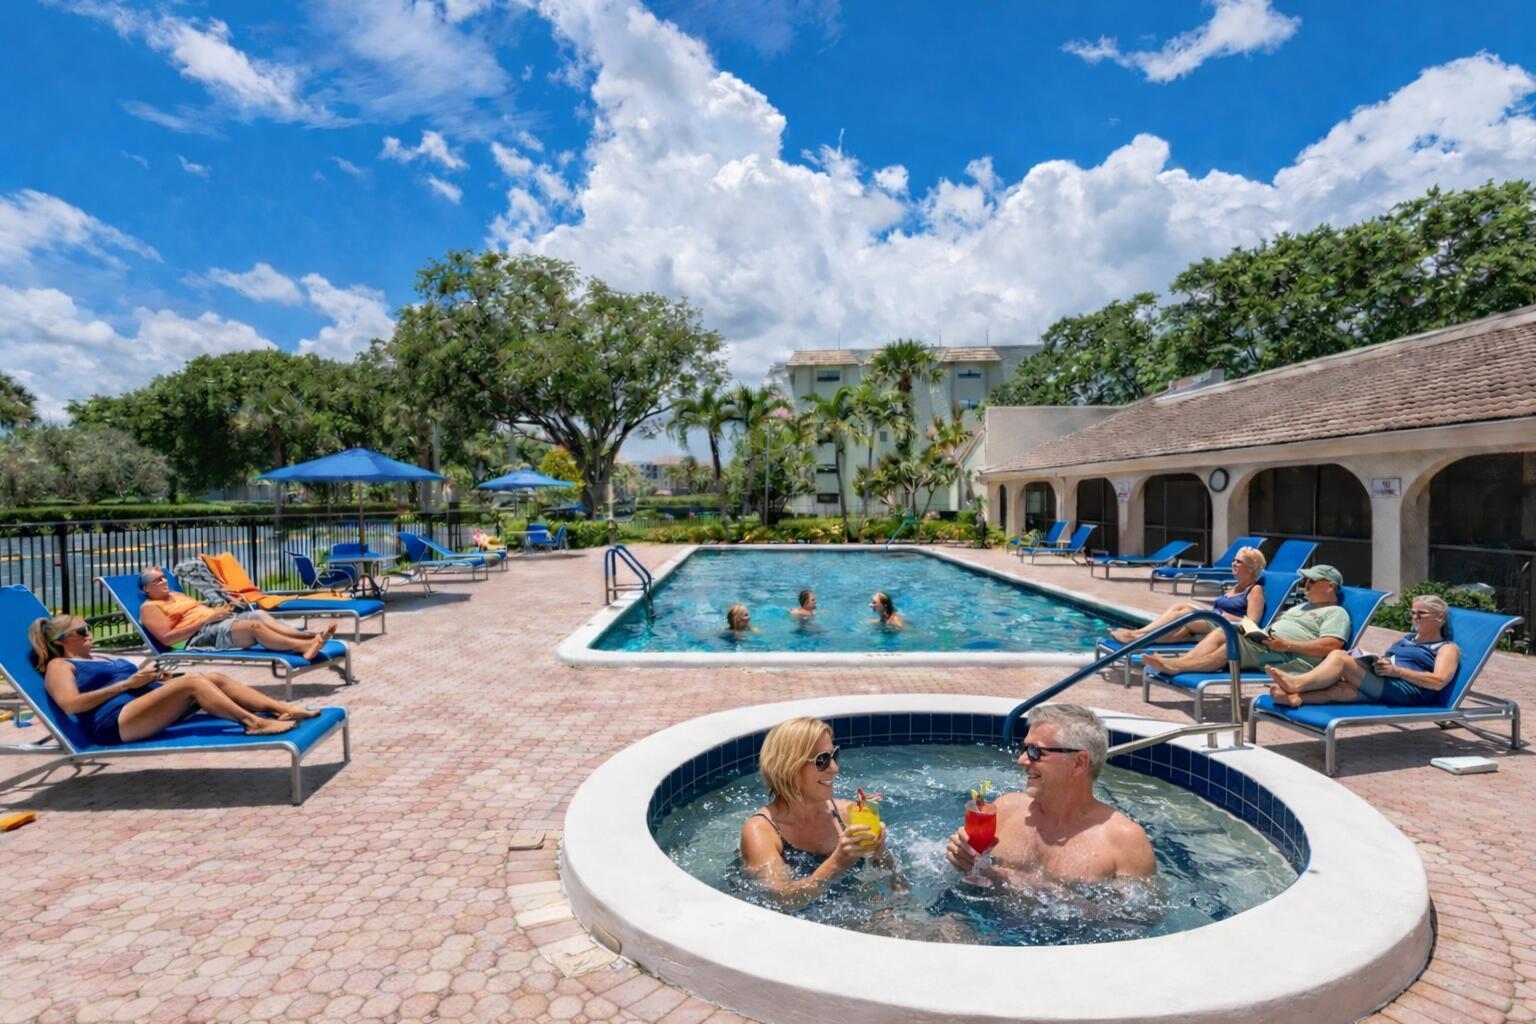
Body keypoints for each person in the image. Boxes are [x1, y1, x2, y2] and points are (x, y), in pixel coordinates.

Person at [945, 704, 1156, 885]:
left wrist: (1006, 880)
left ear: (1079, 762)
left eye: (1036, 751)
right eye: (1024, 748)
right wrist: (965, 858)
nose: (1022, 760)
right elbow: (971, 881)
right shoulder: (1006, 809)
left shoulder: (1124, 840)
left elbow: (1138, 920)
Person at [29, 615, 318, 742]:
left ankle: (283, 709)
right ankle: (253, 723)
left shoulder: (100, 658)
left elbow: (137, 685)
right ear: (64, 640)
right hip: (114, 723)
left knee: (212, 677)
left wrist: (158, 681)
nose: (89, 633)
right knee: (192, 681)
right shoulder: (59, 665)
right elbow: (70, 704)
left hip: (140, 709)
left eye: (88, 627)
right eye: (81, 631)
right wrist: (128, 684)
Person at [740, 717, 889, 907]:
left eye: (834, 756)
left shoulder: (847, 813)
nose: (835, 769)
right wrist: (837, 863)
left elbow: (893, 883)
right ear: (790, 767)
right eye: (823, 760)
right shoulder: (761, 831)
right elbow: (781, 900)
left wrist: (879, 856)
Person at [1140, 565, 1350, 678]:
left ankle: (1177, 666)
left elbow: (1330, 646)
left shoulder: (1335, 613)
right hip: (1268, 646)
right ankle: (1179, 663)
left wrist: (1286, 644)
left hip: (1289, 657)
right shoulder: (1300, 607)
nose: (1306, 586)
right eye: (1305, 581)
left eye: (1311, 581)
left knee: (1231, 642)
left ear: (1330, 586)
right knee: (1221, 632)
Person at [1265, 595, 1461, 707]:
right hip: (1387, 683)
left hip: (1408, 692)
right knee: (1340, 690)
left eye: (1421, 614)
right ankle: (1295, 699)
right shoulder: (1405, 638)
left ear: (1440, 618)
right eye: (1412, 614)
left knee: (1339, 657)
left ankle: (1296, 683)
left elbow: (1438, 681)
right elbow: (1388, 660)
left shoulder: (1446, 648)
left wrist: (1398, 672)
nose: (1414, 618)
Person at [137, 569, 337, 660]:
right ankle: (303, 647)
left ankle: (311, 637)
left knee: (257, 615)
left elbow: (198, 612)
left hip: (216, 624)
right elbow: (167, 639)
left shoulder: (176, 595)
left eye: (164, 578)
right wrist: (209, 618)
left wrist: (226, 608)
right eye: (157, 582)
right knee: (254, 628)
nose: (164, 583)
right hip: (197, 638)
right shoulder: (149, 608)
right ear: (146, 588)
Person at [1109, 546, 1267, 645]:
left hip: (1225, 625)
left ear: (1251, 568)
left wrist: (1230, 617)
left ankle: (1135, 636)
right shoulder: (1236, 586)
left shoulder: (1255, 590)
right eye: (1234, 560)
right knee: (1180, 608)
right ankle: (1138, 635)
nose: (1233, 564)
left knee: (1185, 615)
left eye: (1238, 562)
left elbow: (1252, 624)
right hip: (1215, 619)